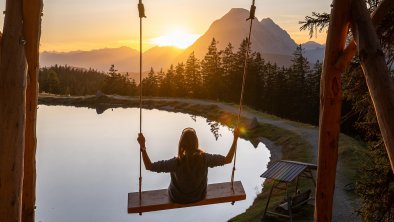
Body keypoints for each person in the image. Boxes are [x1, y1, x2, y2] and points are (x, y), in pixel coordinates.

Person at [137, 127, 239, 204]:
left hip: (177, 198)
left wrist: (143, 146)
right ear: (196, 142)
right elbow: (228, 160)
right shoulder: (205, 158)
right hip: (199, 196)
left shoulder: (176, 163)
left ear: (181, 144)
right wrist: (235, 139)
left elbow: (149, 166)